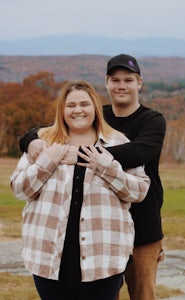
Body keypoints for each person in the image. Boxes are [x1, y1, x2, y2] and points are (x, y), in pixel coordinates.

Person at [19, 54, 166, 300]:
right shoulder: (96, 115)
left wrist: (78, 154)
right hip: (101, 229)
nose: (121, 85)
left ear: (139, 83)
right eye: (115, 80)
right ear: (106, 83)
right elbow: (47, 130)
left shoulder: (151, 120)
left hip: (144, 225)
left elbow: (140, 152)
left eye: (128, 80)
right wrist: (30, 140)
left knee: (142, 293)